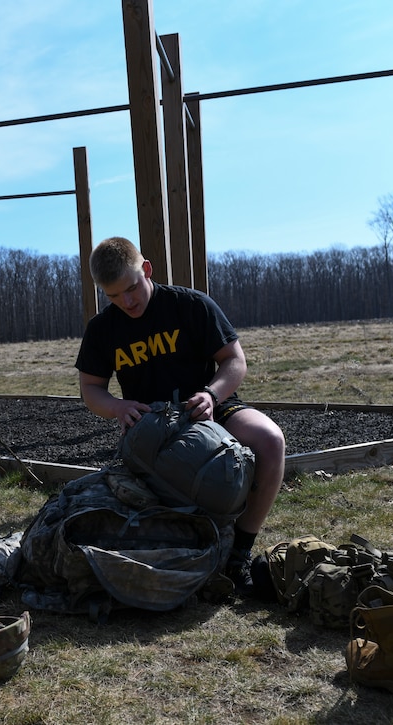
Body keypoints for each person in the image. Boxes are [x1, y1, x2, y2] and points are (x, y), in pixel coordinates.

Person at [75, 236, 286, 596]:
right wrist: (118, 407)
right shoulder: (102, 329)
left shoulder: (190, 305)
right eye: (113, 296)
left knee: (271, 441)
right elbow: (90, 389)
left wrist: (211, 393)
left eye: (131, 288)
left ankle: (239, 553)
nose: (127, 302)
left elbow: (234, 360)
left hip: (210, 408)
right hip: (151, 428)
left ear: (147, 270)